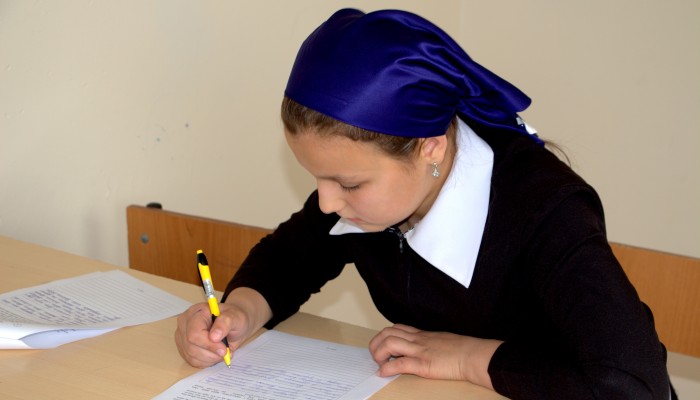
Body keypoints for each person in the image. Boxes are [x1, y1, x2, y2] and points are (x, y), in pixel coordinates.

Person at [175, 8, 675, 399]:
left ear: (430, 148)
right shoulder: (371, 191)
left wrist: (468, 358)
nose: (325, 203)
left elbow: (632, 386)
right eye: (317, 179)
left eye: (347, 184)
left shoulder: (547, 212)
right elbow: (291, 258)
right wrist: (238, 312)